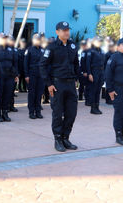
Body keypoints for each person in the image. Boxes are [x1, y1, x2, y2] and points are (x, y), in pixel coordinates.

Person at [40, 21, 79, 152]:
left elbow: (76, 64)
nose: (66, 32)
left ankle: (65, 138)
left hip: (71, 84)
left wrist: (77, 78)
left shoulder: (73, 45)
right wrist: (49, 84)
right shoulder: (51, 47)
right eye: (63, 30)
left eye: (67, 29)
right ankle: (58, 139)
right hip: (57, 84)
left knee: (71, 112)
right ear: (57, 32)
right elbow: (42, 65)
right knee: (57, 113)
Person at [0, 34, 18, 122]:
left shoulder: (11, 49)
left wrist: (16, 75)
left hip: (9, 76)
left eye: (6, 38)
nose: (5, 40)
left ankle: (5, 113)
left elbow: (15, 63)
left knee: (8, 95)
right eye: (3, 38)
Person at [24, 33, 44, 119]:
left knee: (39, 93)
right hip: (32, 74)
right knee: (32, 94)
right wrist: (26, 75)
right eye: (36, 39)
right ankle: (31, 112)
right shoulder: (29, 50)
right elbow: (25, 63)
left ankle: (38, 111)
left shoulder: (43, 50)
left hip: (41, 75)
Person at [85, 37, 105, 114]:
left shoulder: (101, 51)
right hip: (94, 72)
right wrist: (89, 74)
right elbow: (88, 63)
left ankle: (97, 107)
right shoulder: (91, 51)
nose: (99, 42)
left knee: (98, 91)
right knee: (94, 90)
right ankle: (93, 108)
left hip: (101, 72)